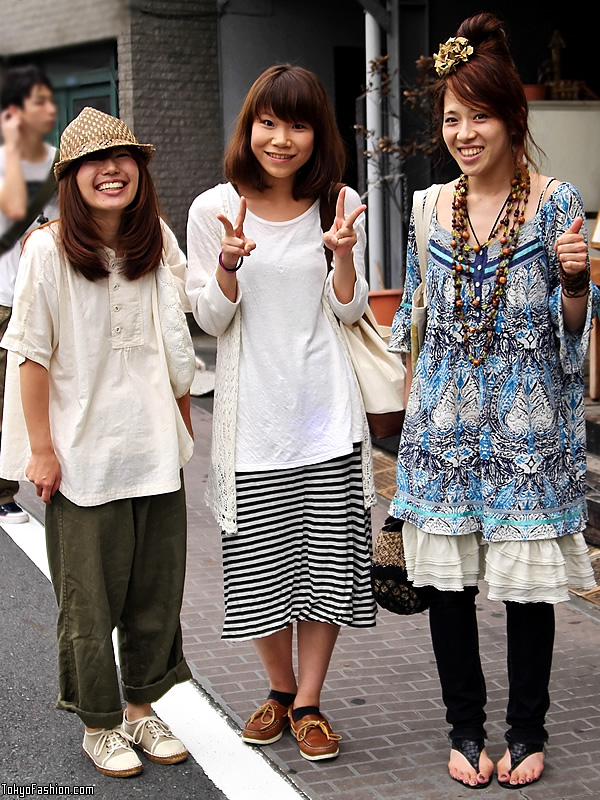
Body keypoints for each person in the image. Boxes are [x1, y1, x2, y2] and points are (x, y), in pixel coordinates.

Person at [388, 12, 598, 791]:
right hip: (443, 427)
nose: (464, 133)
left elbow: (571, 332)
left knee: (525, 590)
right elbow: (415, 317)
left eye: (479, 115)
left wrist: (575, 281)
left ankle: (527, 732)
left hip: (527, 432)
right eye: (451, 117)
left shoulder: (554, 202)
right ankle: (465, 731)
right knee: (448, 587)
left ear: (513, 117)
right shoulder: (426, 208)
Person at [186, 63, 377, 761]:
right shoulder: (214, 209)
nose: (282, 138)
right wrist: (230, 266)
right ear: (250, 127)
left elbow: (351, 310)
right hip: (252, 425)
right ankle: (276, 688)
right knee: (261, 570)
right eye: (269, 122)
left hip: (326, 415)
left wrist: (344, 258)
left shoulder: (339, 202)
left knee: (328, 567)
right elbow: (208, 316)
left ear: (315, 133)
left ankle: (310, 703)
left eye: (298, 124)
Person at [0, 107, 196, 777]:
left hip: (153, 453)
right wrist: (42, 449)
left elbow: (176, 336)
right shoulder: (48, 252)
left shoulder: (158, 240)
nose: (110, 169)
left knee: (154, 594)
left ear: (140, 169)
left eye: (122, 157)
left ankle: (141, 709)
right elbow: (27, 357)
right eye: (92, 160)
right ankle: (100, 722)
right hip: (84, 459)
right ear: (70, 177)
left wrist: (180, 415)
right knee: (89, 603)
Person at [0, 65, 57, 525]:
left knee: (28, 398)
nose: (49, 109)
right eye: (37, 100)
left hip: (33, 299)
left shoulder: (57, 160)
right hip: (1, 297)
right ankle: (2, 489)